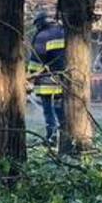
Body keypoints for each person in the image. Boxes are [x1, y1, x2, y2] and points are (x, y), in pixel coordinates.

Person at [28, 12, 68, 145]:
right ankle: (65, 135)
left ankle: (51, 136)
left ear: (40, 23)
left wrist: (29, 78)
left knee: (48, 110)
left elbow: (36, 60)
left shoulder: (42, 36)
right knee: (60, 109)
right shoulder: (64, 31)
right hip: (64, 79)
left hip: (47, 80)